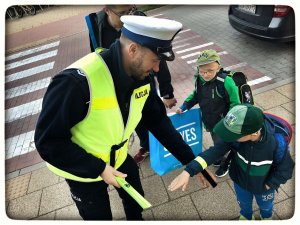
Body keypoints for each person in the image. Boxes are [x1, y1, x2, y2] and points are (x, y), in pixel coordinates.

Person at [34, 15, 210, 220]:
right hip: (81, 169)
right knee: (98, 216)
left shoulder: (141, 78)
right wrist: (98, 168)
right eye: (155, 60)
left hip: (117, 158)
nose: (157, 69)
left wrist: (193, 162)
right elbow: (48, 142)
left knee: (136, 201)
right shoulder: (74, 83)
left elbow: (159, 123)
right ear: (133, 49)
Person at [168, 104, 295, 220]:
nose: (227, 137)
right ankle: (245, 217)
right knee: (244, 205)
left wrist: (269, 184)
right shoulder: (236, 139)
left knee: (266, 206)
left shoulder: (276, 144)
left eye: (233, 134)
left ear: (253, 133)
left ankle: (266, 217)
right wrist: (189, 170)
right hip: (240, 182)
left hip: (264, 187)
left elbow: (286, 170)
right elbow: (214, 152)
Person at [85, 5, 177, 163]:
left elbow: (158, 60)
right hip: (116, 88)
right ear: (107, 9)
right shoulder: (95, 25)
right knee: (132, 120)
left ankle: (157, 145)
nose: (129, 15)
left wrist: (167, 92)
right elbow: (96, 55)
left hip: (141, 81)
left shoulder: (138, 22)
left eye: (131, 8)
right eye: (122, 12)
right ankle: (145, 145)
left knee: (154, 117)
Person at [176, 49, 241, 178]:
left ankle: (226, 162)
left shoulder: (225, 82)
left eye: (210, 71)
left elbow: (236, 103)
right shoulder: (199, 80)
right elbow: (195, 95)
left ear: (218, 68)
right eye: (202, 71)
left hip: (224, 122)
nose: (205, 74)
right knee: (216, 140)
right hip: (209, 120)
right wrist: (184, 106)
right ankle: (220, 155)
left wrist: (229, 123)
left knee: (223, 143)